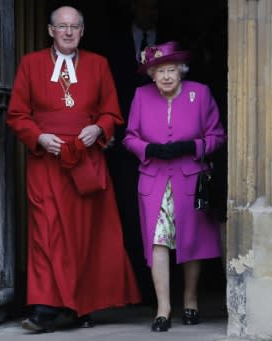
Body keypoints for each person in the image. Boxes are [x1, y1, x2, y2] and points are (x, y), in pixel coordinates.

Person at [6, 5, 141, 333]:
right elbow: (17, 114)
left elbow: (112, 112)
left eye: (74, 27)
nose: (68, 32)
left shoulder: (98, 64)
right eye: (62, 26)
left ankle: (80, 305)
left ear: (82, 31)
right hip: (46, 164)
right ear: (50, 31)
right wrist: (39, 137)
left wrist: (99, 129)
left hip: (86, 163)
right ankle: (43, 307)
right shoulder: (30, 64)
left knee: (84, 238)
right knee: (46, 233)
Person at [123, 41, 226, 332]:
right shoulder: (141, 96)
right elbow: (129, 137)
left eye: (171, 70)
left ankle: (190, 301)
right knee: (158, 240)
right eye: (160, 71)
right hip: (154, 180)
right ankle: (163, 309)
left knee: (191, 238)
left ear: (181, 72)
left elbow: (217, 136)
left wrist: (192, 146)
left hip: (191, 178)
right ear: (152, 75)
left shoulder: (200, 93)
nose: (166, 76)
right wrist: (149, 150)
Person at [104, 0, 161, 304]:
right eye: (143, 5)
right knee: (128, 210)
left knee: (163, 215)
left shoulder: (169, 40)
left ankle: (162, 288)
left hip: (164, 143)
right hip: (123, 140)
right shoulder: (111, 41)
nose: (149, 11)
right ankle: (135, 284)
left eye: (154, 6)